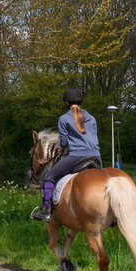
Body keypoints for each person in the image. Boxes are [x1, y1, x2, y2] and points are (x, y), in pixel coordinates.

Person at [31, 87, 101, 222]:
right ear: (80, 101)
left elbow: (63, 141)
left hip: (76, 156)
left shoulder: (63, 119)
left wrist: (62, 149)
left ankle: (46, 211)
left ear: (66, 102)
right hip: (96, 156)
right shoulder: (92, 118)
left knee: (50, 177)